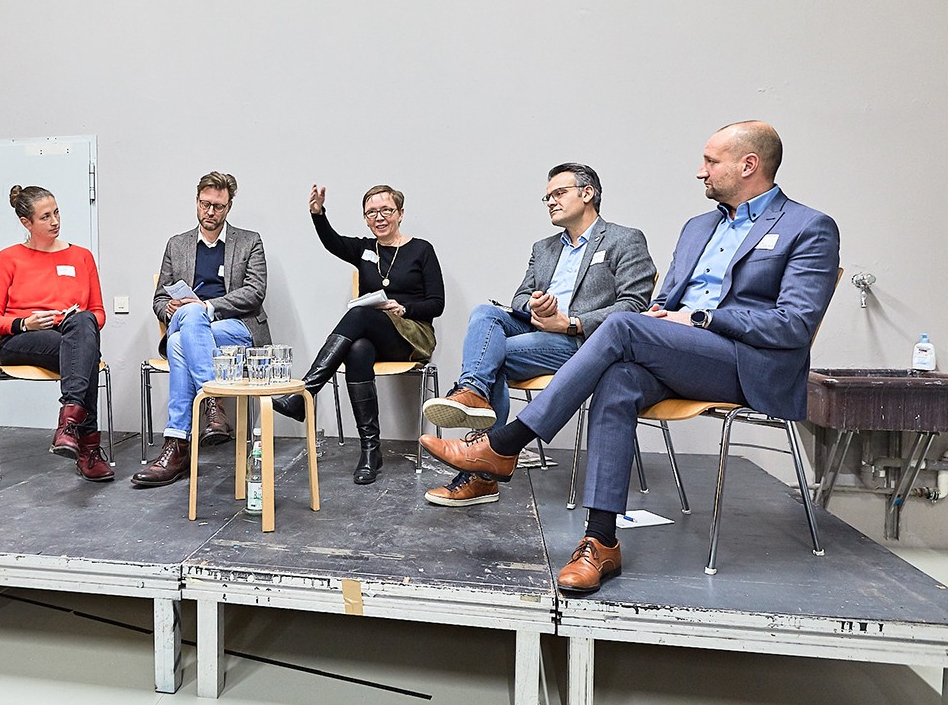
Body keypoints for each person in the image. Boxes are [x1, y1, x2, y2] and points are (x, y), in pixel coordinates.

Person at [420, 121, 840, 593]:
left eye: (710, 161)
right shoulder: (699, 226)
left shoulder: (808, 226)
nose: (700, 172)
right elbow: (666, 300)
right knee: (618, 378)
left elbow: (794, 325)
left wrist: (699, 320)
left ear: (749, 165)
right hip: (685, 352)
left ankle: (506, 444)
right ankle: (600, 542)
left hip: (747, 363)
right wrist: (667, 315)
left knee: (620, 325)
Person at [420, 164, 654, 507]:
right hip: (537, 327)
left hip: (585, 342)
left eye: (558, 193)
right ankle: (474, 393)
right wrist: (534, 305)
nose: (550, 202)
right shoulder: (543, 248)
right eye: (547, 197)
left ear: (587, 193)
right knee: (485, 313)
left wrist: (572, 322)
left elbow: (634, 305)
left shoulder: (624, 238)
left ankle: (480, 472)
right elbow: (519, 296)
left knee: (492, 357)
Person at [272, 184, 445, 485]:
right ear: (366, 219)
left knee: (360, 313)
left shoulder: (421, 250)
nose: (379, 217)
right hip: (377, 337)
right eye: (371, 213)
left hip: (413, 335)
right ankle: (370, 451)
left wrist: (404, 307)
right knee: (357, 350)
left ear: (400, 214)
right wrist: (318, 213)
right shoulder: (365, 249)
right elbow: (333, 242)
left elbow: (437, 303)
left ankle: (305, 392)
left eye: (386, 210)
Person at [133, 172, 271, 488]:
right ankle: (214, 402)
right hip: (195, 329)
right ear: (196, 202)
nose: (211, 213)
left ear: (229, 206)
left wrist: (207, 308)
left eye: (218, 207)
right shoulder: (176, 244)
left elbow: (254, 292)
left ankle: (177, 446)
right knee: (187, 323)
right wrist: (166, 308)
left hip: (237, 329)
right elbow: (160, 298)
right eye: (206, 205)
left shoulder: (250, 241)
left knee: (181, 338)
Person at [0, 185, 111, 481]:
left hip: (69, 335)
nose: (55, 221)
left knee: (83, 325)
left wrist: (73, 318)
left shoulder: (82, 256)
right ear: (27, 223)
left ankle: (69, 421)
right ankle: (87, 445)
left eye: (57, 213)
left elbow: (98, 314)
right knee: (84, 352)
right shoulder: (9, 258)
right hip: (20, 340)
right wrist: (25, 323)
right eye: (45, 217)